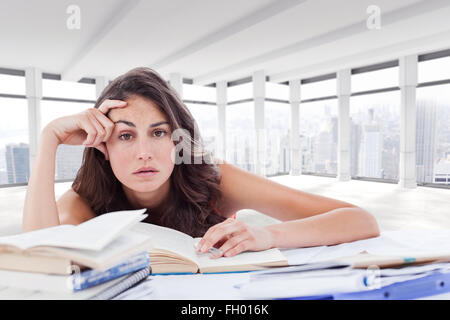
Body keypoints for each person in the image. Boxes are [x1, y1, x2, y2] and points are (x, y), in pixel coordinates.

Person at [22, 67, 380, 258]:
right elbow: (37, 256)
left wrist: (268, 234)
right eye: (126, 136)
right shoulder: (87, 196)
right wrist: (48, 139)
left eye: (159, 133)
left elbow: (359, 220)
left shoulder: (213, 180)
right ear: (103, 146)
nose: (144, 152)